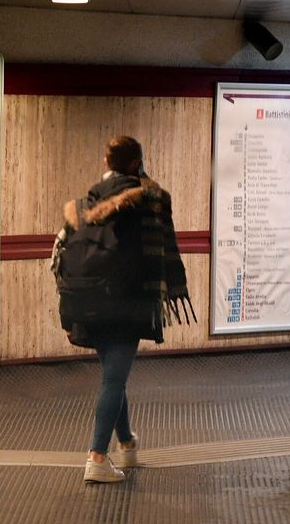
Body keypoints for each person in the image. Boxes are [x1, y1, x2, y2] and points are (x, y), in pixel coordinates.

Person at [54, 136, 193, 484]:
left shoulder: (84, 204)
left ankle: (127, 445)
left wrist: (69, 309)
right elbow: (165, 247)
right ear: (136, 163)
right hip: (129, 301)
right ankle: (97, 457)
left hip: (86, 301)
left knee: (112, 378)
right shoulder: (152, 199)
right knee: (114, 380)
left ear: (106, 162)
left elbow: (59, 257)